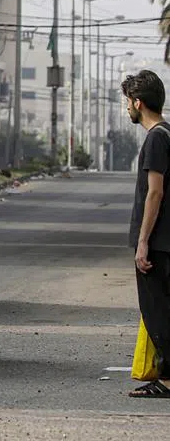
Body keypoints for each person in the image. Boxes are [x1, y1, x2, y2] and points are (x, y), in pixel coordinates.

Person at [121, 71, 170, 399]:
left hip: (158, 243)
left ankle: (167, 379)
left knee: (158, 312)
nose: (127, 108)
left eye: (128, 102)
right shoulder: (168, 134)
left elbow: (155, 192)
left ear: (138, 103)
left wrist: (143, 242)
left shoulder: (156, 138)